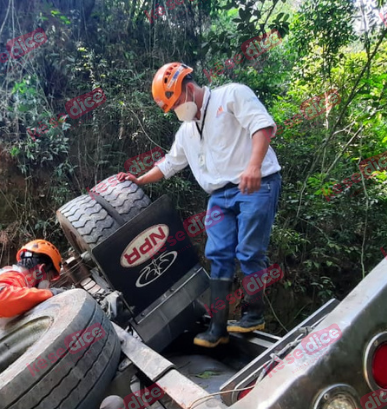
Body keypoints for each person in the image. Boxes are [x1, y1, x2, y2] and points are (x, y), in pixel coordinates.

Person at [117, 62, 282, 348]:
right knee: (218, 254)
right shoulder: (187, 131)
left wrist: (254, 165)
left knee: (249, 250)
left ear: (189, 88)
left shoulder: (232, 95)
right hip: (219, 194)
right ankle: (218, 328)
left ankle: (253, 314)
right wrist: (140, 179)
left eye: (177, 102)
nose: (178, 110)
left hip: (257, 182)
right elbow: (169, 163)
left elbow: (263, 126)